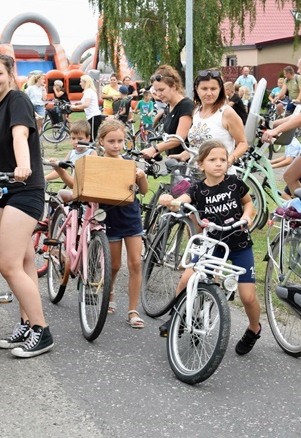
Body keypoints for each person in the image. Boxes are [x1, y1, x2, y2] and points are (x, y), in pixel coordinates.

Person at [0, 53, 53, 358]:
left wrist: (23, 165)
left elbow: (20, 135)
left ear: (9, 74)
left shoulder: (18, 100)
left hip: (22, 188)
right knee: (24, 261)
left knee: (7, 264)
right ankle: (26, 323)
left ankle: (42, 331)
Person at [157, 140, 261, 355]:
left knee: (248, 296)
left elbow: (248, 202)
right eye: (212, 160)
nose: (219, 164)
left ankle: (253, 328)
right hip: (211, 244)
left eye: (223, 159)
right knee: (186, 280)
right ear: (201, 164)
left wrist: (246, 216)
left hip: (239, 244)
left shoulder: (235, 183)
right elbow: (181, 202)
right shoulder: (197, 189)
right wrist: (169, 200)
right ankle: (178, 317)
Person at [89, 119, 148, 328]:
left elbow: (144, 191)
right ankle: (109, 292)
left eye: (120, 141)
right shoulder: (97, 163)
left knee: (135, 263)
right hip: (109, 217)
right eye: (111, 141)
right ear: (101, 141)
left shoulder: (128, 163)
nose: (116, 145)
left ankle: (133, 310)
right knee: (114, 265)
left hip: (131, 217)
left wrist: (141, 176)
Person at [262, 52, 301, 194]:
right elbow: (299, 114)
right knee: (289, 176)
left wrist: (276, 130)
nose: (298, 72)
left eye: (299, 68)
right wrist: (273, 124)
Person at [187, 69, 248, 166]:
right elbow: (198, 146)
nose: (209, 93)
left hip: (220, 174)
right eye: (204, 89)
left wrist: (230, 159)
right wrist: (183, 154)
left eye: (213, 89)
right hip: (196, 173)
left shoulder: (226, 113)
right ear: (196, 89)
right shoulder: (197, 112)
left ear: (220, 89)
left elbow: (243, 143)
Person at [141, 66, 194, 160]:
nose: (158, 94)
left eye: (161, 90)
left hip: (187, 164)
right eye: (156, 91)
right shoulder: (169, 106)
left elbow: (179, 138)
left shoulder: (186, 106)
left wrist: (155, 149)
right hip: (174, 163)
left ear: (174, 87)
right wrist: (157, 151)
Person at [75, 74, 104, 138]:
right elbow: (86, 101)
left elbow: (86, 104)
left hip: (93, 116)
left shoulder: (88, 92)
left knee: (92, 138)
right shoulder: (90, 91)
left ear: (85, 82)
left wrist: (75, 107)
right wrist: (78, 103)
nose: (80, 84)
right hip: (92, 116)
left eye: (81, 82)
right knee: (92, 136)